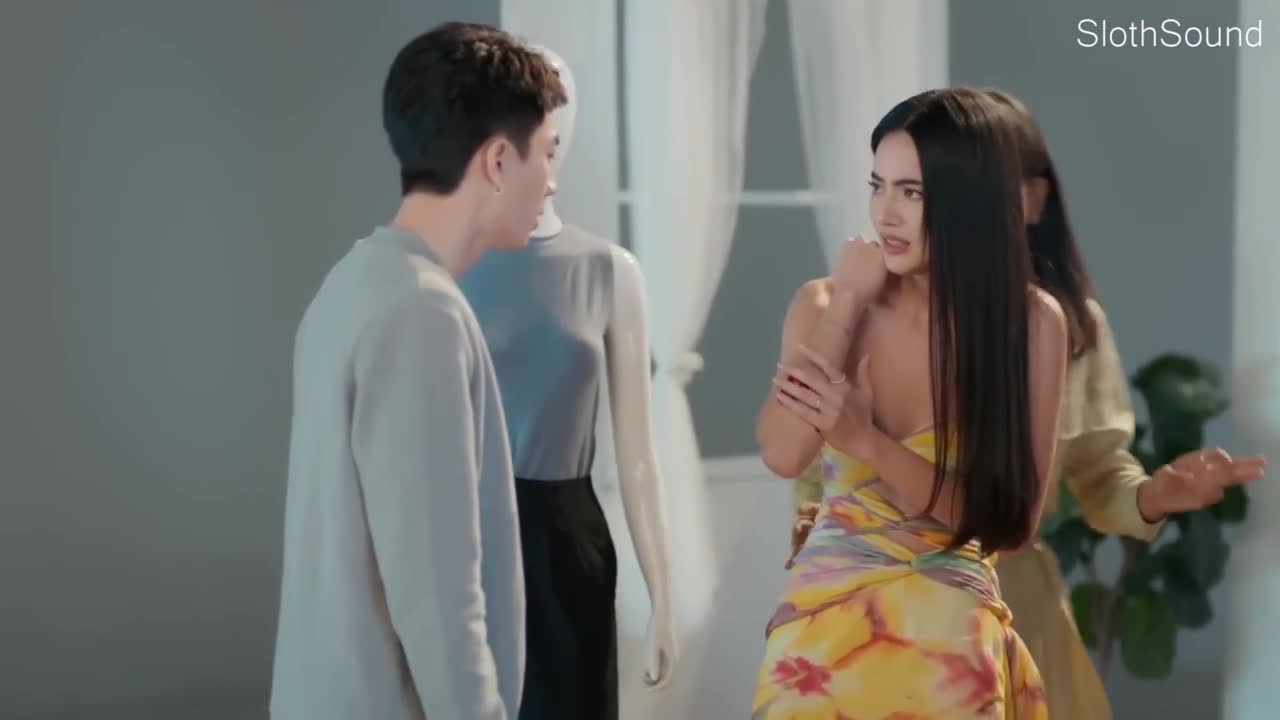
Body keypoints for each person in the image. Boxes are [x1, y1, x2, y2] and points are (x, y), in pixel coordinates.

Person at [787, 89, 1267, 718]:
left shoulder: (1057, 326)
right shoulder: (848, 306)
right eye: (887, 186)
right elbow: (815, 455)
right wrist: (819, 531)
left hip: (1003, 605)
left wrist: (1156, 495)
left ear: (1033, 197)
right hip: (862, 602)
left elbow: (1097, 473)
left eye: (922, 190)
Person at [269, 22, 565, 720]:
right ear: (499, 161)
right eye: (548, 154)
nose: (552, 182)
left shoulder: (352, 284)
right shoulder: (421, 313)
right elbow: (439, 595)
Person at [752, 87, 1066, 718]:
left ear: (967, 201)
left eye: (912, 193)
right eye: (878, 186)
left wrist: (867, 443)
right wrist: (846, 304)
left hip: (949, 631)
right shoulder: (822, 302)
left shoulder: (1031, 324)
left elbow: (1008, 525)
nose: (885, 214)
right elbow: (784, 454)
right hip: (823, 629)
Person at [459, 44, 678, 720]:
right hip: (470, 533)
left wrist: (663, 594)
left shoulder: (609, 270)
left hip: (567, 539)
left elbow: (638, 456)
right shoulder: (453, 263)